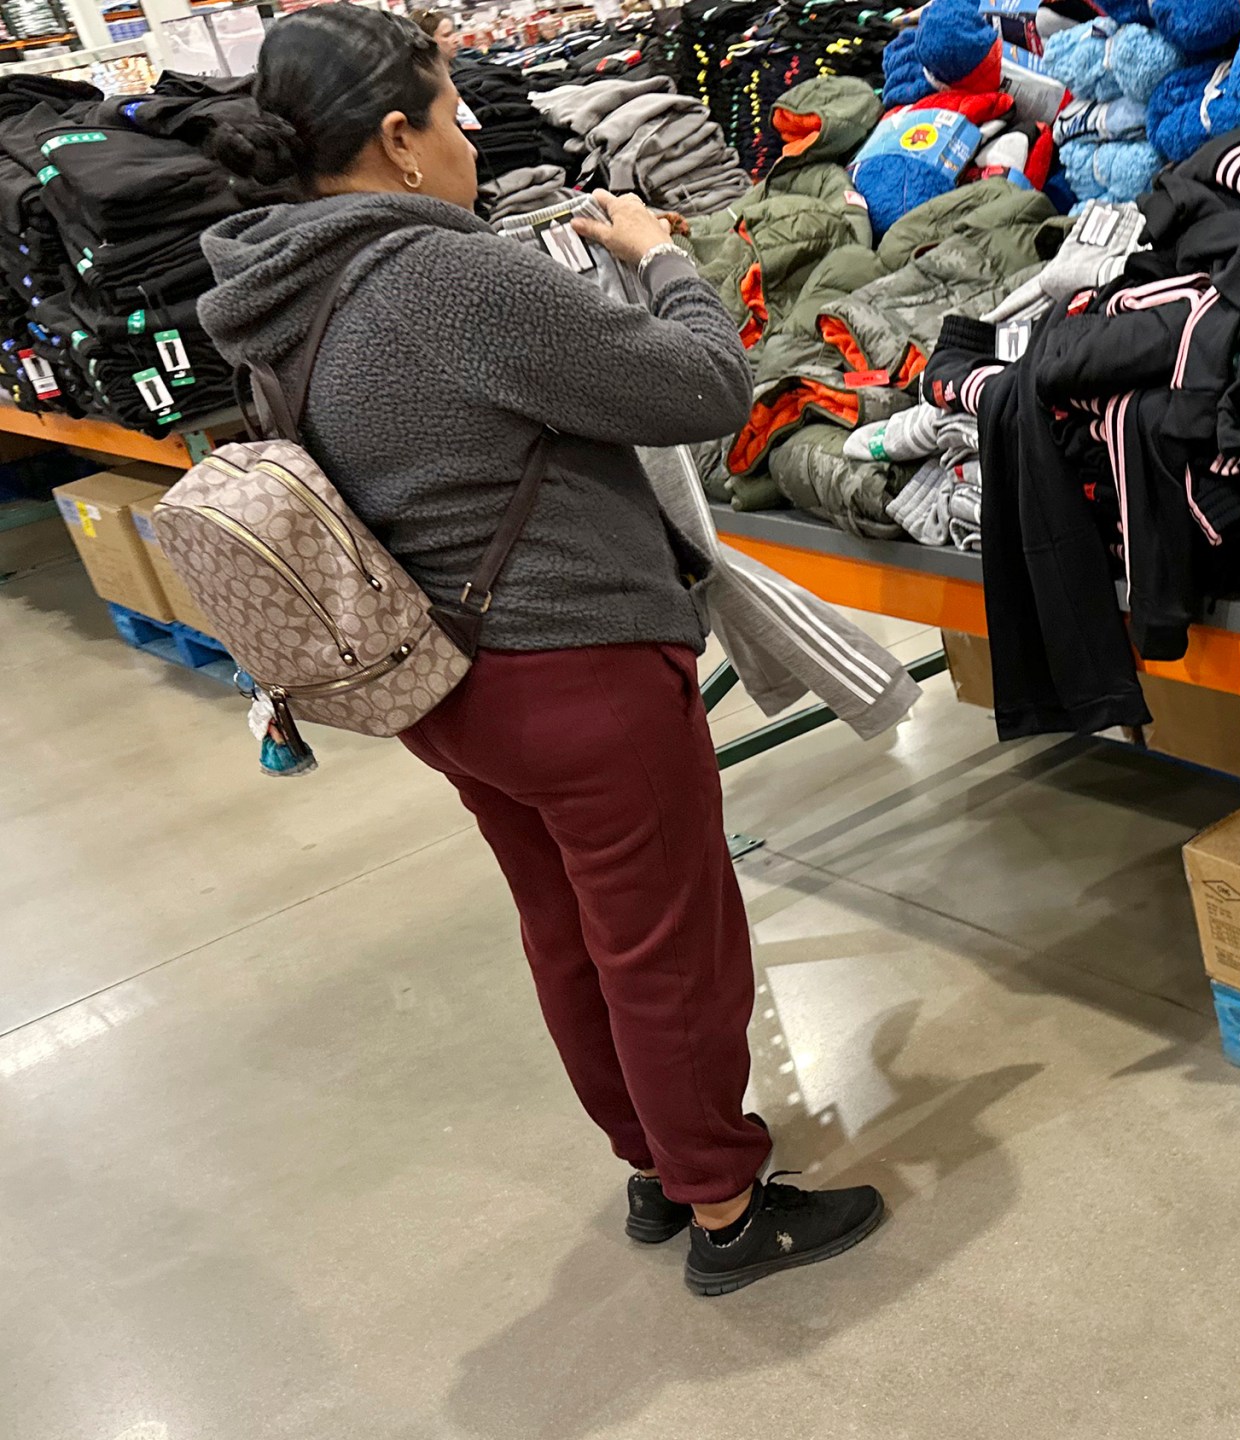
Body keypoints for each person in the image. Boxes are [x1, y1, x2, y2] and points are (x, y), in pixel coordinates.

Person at [196, 4, 887, 1297]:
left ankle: (657, 1163)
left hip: (441, 675)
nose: (469, 141)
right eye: (453, 116)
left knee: (568, 929)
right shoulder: (442, 273)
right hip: (572, 661)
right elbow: (699, 389)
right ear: (396, 141)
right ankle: (730, 1207)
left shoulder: (268, 284)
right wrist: (665, 258)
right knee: (669, 939)